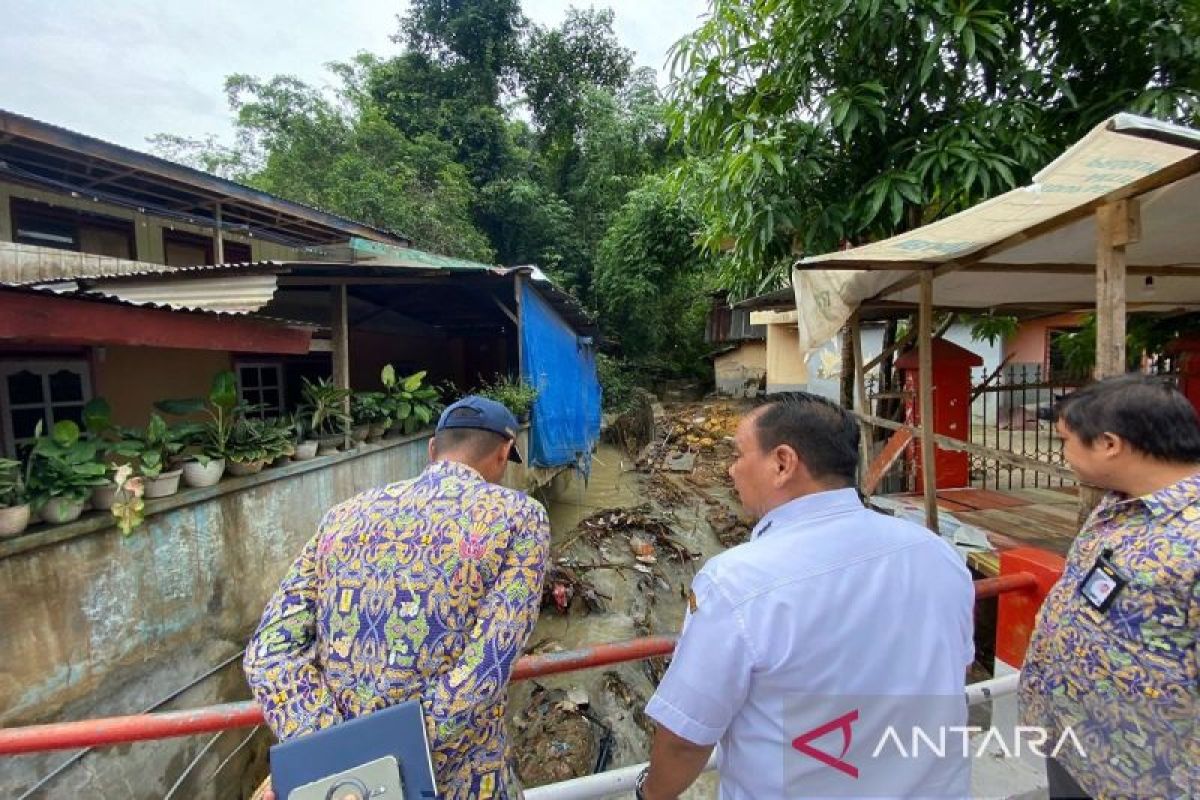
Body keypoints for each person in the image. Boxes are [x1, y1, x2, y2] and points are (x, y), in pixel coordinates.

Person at [637, 392, 975, 799]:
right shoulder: (936, 552)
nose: (730, 470)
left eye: (738, 455)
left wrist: (649, 795)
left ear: (782, 463)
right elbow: (955, 668)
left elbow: (686, 738)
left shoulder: (736, 581)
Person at [244, 395, 551, 800]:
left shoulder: (343, 515)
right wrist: (394, 762)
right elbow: (487, 664)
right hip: (456, 783)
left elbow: (268, 653)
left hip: (342, 789)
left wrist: (333, 753)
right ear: (504, 452)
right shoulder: (520, 517)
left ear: (432, 449)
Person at [1020, 375, 1200, 799]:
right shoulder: (1120, 501)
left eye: (1065, 440)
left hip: (1150, 774)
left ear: (1108, 444)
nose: (1062, 452)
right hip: (1077, 743)